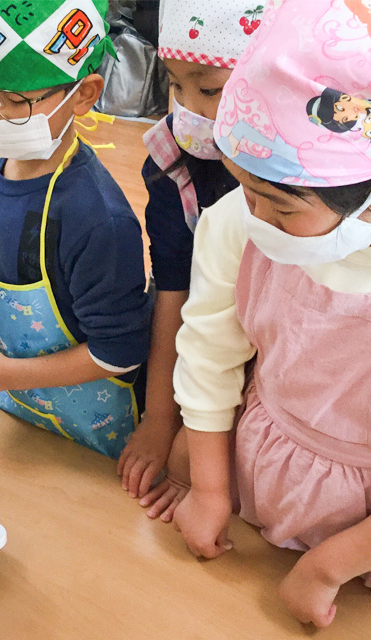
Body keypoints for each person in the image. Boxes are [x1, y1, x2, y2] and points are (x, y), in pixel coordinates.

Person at [169, 0, 371, 626]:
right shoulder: (237, 221)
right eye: (241, 187)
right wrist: (212, 489)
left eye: (278, 206)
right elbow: (209, 355)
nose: (250, 216)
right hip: (266, 491)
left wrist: (325, 569)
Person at [0, 0, 152, 460]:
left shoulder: (98, 220)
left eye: (14, 103)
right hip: (20, 411)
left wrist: (7, 374)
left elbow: (120, 351)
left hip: (94, 433)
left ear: (85, 94)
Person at [117, 1, 251, 521]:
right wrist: (158, 419)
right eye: (174, 85)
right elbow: (174, 288)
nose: (187, 108)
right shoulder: (177, 160)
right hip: (202, 350)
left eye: (209, 89)